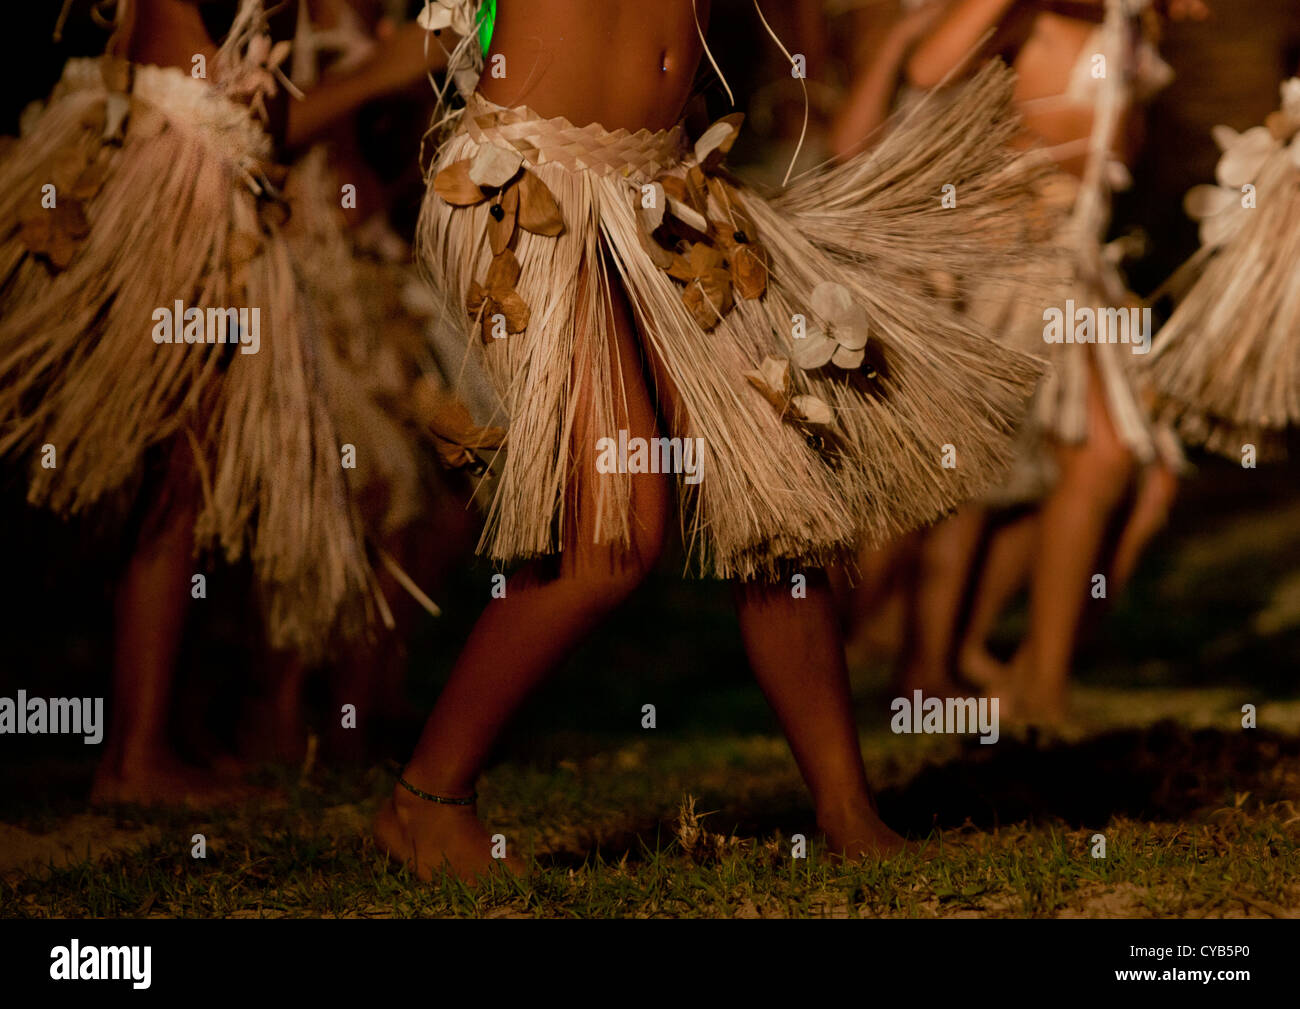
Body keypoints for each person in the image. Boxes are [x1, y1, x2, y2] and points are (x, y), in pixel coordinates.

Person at [375, 0, 1050, 880]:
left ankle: (848, 811)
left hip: (670, 190)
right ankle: (424, 800)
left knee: (776, 504)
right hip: (531, 183)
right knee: (614, 538)